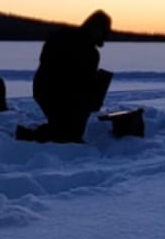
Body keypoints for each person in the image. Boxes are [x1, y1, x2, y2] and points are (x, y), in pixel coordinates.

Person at [20, 9, 114, 143]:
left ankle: (58, 130)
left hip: (44, 89)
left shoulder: (66, 36)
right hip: (55, 93)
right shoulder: (89, 52)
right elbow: (82, 83)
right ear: (97, 30)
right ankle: (32, 136)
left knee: (65, 126)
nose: (105, 37)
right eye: (104, 32)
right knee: (67, 133)